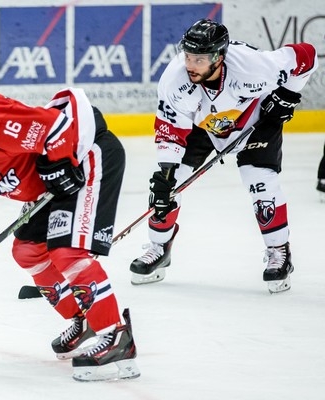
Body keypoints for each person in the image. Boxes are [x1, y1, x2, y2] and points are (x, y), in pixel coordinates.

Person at [0, 55, 139, 382]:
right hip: (51, 185)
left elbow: (59, 125)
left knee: (68, 252)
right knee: (27, 251)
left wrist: (59, 161)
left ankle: (116, 335)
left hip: (86, 160)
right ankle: (85, 318)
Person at [129, 19, 318, 293]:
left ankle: (279, 251)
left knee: (259, 181)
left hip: (254, 120)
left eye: (200, 59)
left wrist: (288, 94)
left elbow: (306, 55)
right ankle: (159, 247)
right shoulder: (175, 80)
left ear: (219, 57)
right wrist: (166, 173)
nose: (191, 65)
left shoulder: (254, 68)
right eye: (188, 56)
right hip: (202, 125)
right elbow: (170, 130)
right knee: (167, 186)